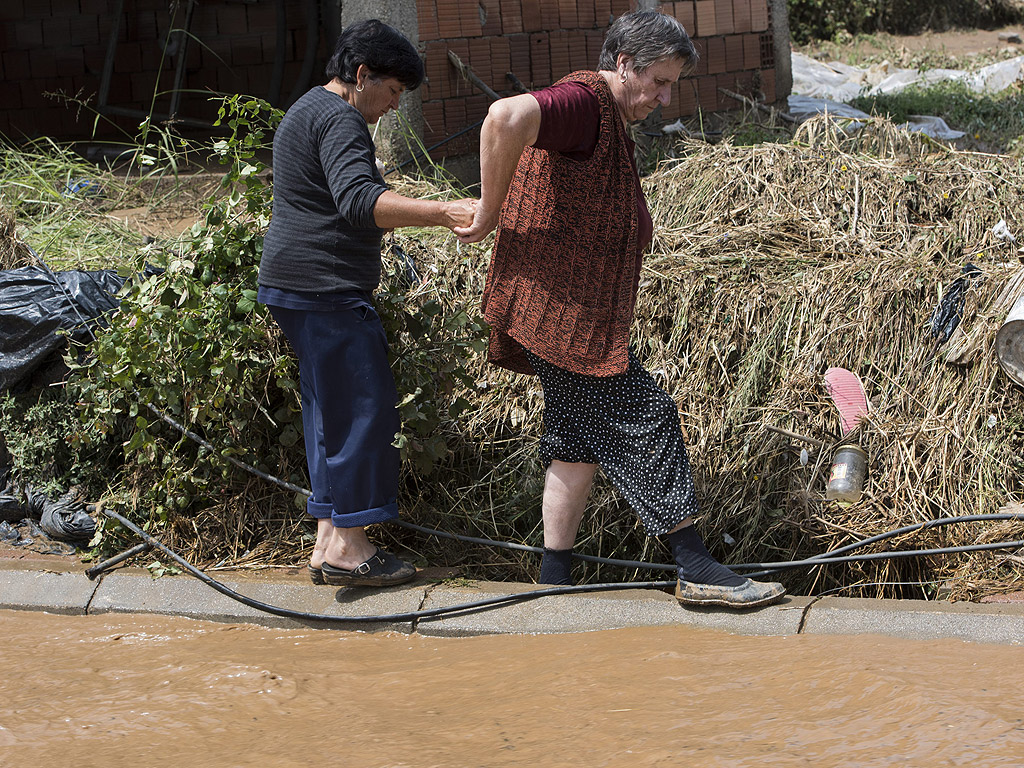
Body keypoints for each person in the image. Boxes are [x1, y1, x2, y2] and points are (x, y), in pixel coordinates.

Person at [455, 10, 785, 608]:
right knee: (646, 415)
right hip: (564, 317)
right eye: (658, 81)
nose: (664, 97)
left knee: (575, 439)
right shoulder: (584, 102)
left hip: (567, 313)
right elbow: (505, 115)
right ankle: (694, 566)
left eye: (672, 85)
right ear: (625, 64)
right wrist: (488, 209)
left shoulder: (604, 117)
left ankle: (553, 580)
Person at [258, 20, 476, 587]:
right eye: (392, 92)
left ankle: (329, 537)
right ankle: (352, 548)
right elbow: (359, 203)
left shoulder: (306, 107)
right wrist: (444, 211)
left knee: (329, 412)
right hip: (325, 288)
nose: (392, 107)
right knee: (362, 409)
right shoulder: (341, 119)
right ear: (361, 75)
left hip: (294, 285)